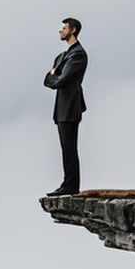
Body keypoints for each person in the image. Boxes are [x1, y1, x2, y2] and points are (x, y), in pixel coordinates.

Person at [44, 17, 88, 196]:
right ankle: (67, 183)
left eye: (64, 28)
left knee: (70, 147)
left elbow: (60, 79)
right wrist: (53, 78)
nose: (60, 31)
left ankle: (70, 185)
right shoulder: (63, 56)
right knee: (66, 147)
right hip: (62, 107)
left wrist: (54, 78)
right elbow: (49, 78)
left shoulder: (78, 54)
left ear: (73, 30)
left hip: (70, 106)